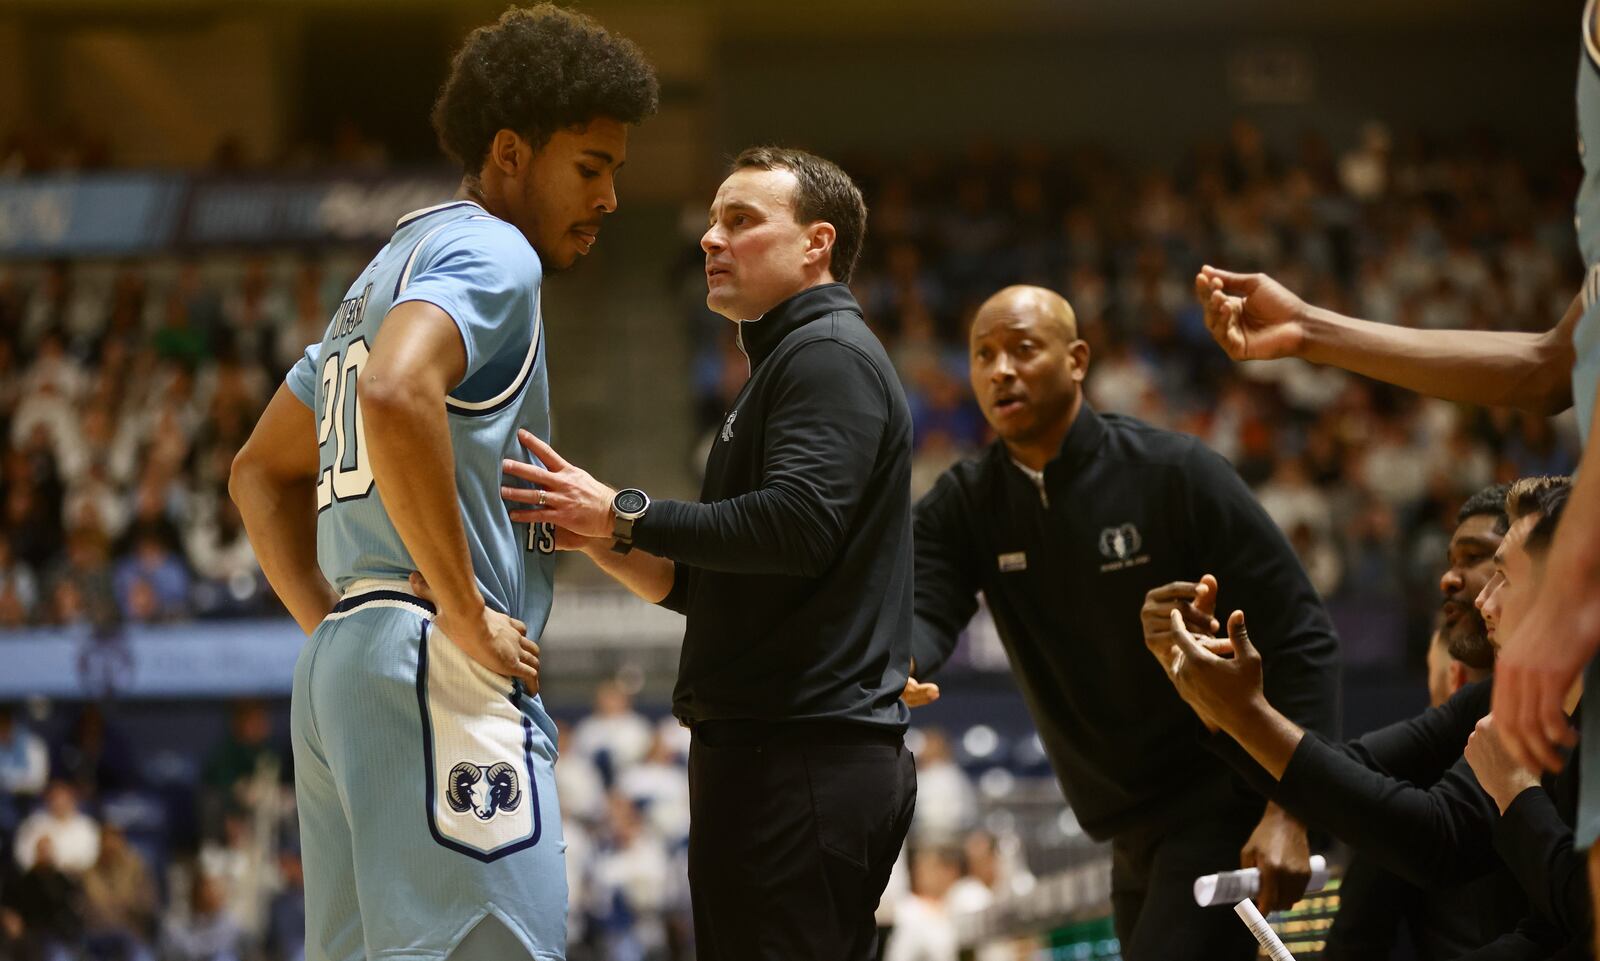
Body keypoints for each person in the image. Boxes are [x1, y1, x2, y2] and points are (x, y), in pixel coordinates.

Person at [227, 7, 658, 960]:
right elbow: (394, 389)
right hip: (434, 662)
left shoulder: (383, 272)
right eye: (591, 167)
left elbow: (259, 473)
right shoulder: (494, 252)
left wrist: (336, 622)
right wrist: (461, 610)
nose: (612, 197)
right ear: (512, 152)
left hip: (349, 666)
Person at [507, 146, 916, 959]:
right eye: (710, 220)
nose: (709, 238)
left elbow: (795, 528)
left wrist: (625, 509)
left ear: (816, 244)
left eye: (740, 220)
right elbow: (721, 579)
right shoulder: (786, 364)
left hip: (799, 758)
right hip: (776, 756)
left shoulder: (826, 355)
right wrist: (603, 533)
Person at [904, 284, 1338, 960]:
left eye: (1023, 349)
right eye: (983, 355)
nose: (1000, 370)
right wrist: (897, 662)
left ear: (1077, 359)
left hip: (1220, 802)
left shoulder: (1176, 473)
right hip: (1125, 831)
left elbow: (1304, 637)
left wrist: (1294, 807)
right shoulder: (967, 504)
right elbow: (925, 606)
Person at [1160, 477, 1583, 957]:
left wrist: (1244, 717)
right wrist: (1226, 712)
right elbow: (1359, 775)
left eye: (1486, 565)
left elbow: (1574, 918)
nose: (1472, 591)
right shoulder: (1504, 707)